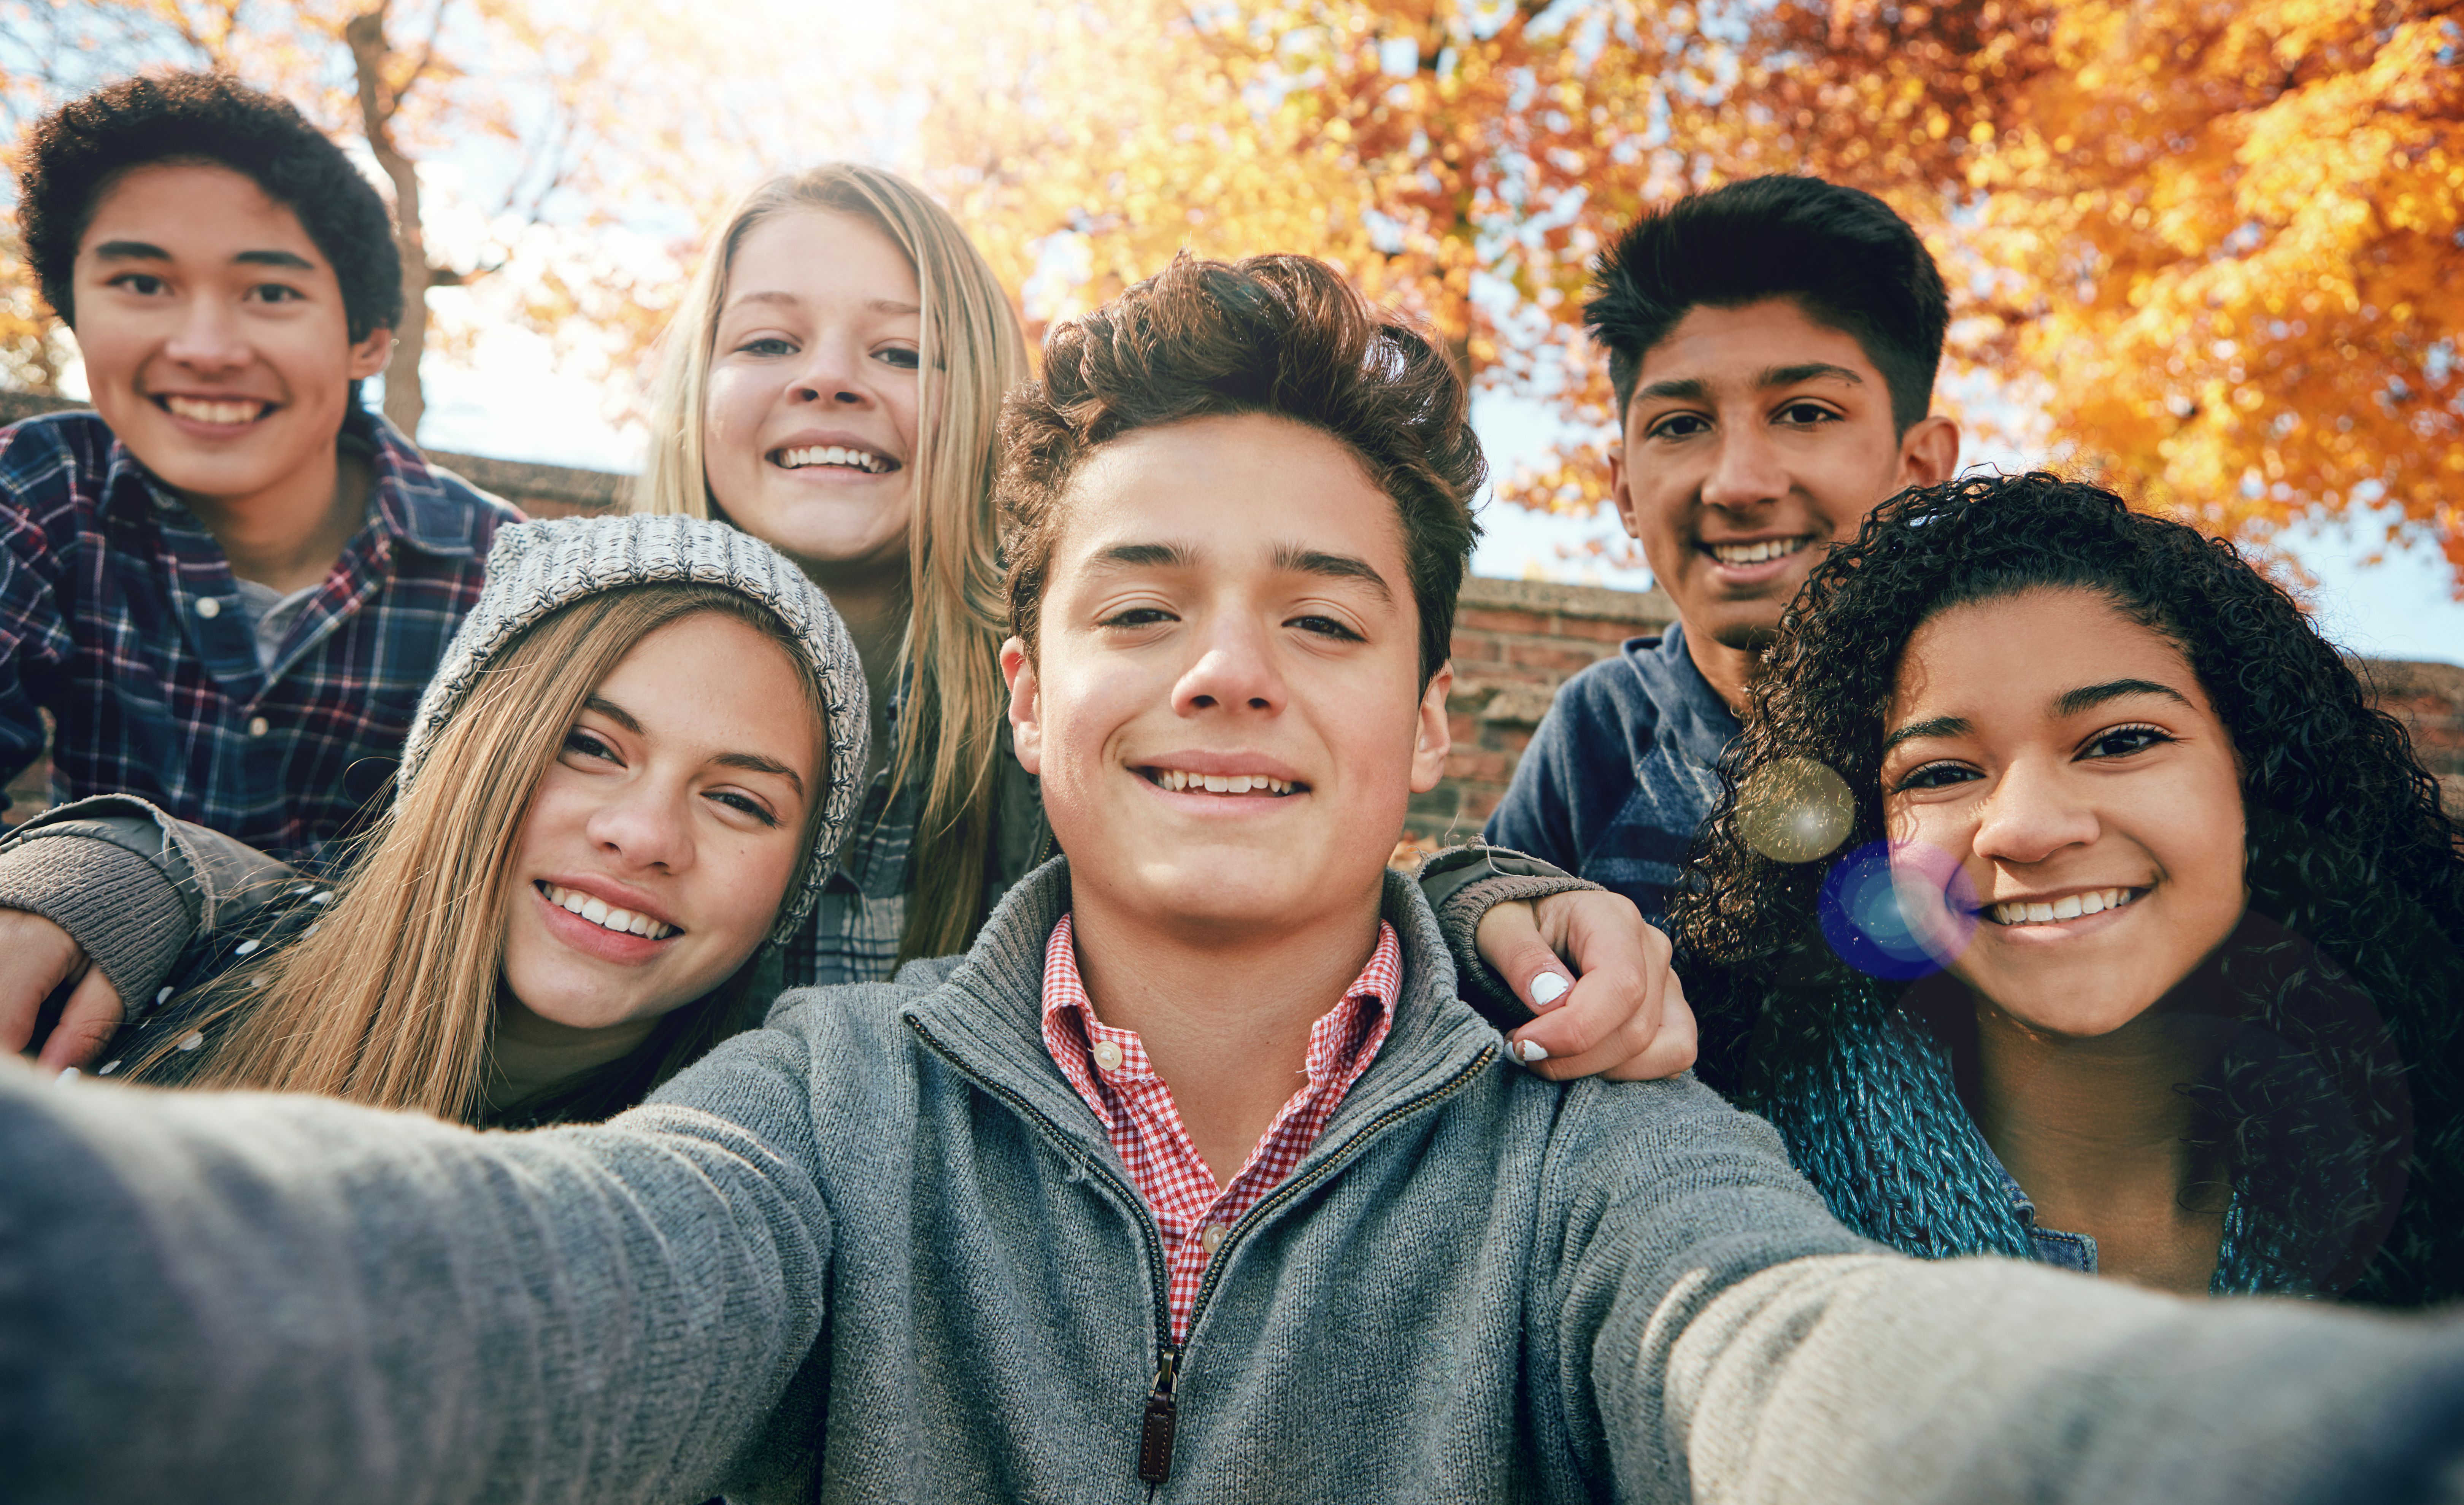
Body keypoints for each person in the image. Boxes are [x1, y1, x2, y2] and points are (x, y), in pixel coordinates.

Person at [8, 254, 2464, 1505]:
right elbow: (518, 1302)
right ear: (1024, 697)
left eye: (1321, 617)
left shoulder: (1605, 1153)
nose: (1224, 675)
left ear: (1430, 722)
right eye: (1143, 606)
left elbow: (1808, 1387)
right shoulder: (828, 1103)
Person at [0, 160, 1690, 1085]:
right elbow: (373, 887)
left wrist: (1490, 900)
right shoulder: (545, 613)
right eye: (771, 341)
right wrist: (128, 870)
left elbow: (1261, 849)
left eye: (901, 348)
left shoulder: (1055, 718)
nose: (829, 380)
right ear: (700, 385)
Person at [84, 508, 865, 1505]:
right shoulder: (145, 987)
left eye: (740, 800)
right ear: (470, 744)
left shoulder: (736, 1225)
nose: (645, 834)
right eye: (589, 745)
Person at [1672, 472, 2464, 1305]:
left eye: (2120, 741)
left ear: (2259, 777)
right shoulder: (1703, 1165)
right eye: (1939, 773)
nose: (2026, 828)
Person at [0, 72, 519, 862]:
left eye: (271, 292)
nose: (205, 349)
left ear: (367, 341)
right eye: (142, 284)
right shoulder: (41, 488)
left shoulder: (496, 573)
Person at [1481, 174, 1961, 925]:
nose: (1737, 484)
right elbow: (1475, 953)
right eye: (1680, 425)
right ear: (1626, 492)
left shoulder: (2000, 718)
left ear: (1921, 470)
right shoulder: (1600, 738)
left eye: (1805, 413)